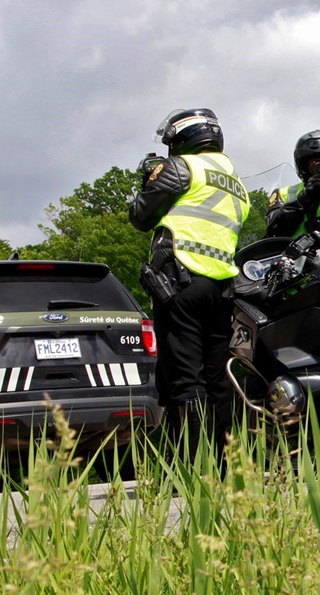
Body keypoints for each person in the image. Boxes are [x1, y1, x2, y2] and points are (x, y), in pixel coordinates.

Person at [129, 108, 251, 460]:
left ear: (183, 139)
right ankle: (226, 465)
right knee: (218, 380)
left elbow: (140, 216)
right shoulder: (236, 183)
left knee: (185, 379)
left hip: (180, 286)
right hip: (222, 289)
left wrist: (148, 181)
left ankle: (193, 466)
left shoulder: (182, 168)